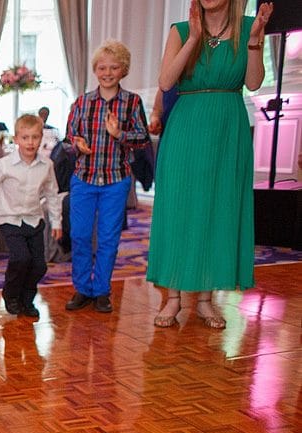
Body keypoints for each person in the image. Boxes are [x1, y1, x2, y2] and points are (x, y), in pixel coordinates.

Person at [147, 0, 272, 329]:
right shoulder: (181, 30)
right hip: (186, 128)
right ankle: (172, 298)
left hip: (227, 129)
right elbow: (165, 81)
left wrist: (256, 38)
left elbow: (255, 82)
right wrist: (193, 40)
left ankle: (205, 300)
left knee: (218, 210)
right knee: (179, 209)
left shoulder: (248, 27)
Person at [64, 40, 148, 314]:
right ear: (95, 70)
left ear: (123, 70)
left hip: (116, 180)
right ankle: (82, 289)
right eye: (102, 67)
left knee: (109, 238)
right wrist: (77, 145)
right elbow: (68, 140)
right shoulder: (81, 102)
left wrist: (118, 135)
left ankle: (101, 290)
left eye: (114, 67)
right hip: (84, 179)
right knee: (79, 235)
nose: (107, 72)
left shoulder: (132, 102)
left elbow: (143, 139)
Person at [0, 114, 62, 318]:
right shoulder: (4, 165)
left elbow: (52, 194)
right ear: (16, 139)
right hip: (10, 219)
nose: (30, 142)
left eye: (35, 137)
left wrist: (57, 223)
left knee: (39, 265)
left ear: (41, 138)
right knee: (21, 258)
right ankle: (11, 295)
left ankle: (27, 299)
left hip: (34, 219)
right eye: (25, 137)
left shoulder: (47, 165)